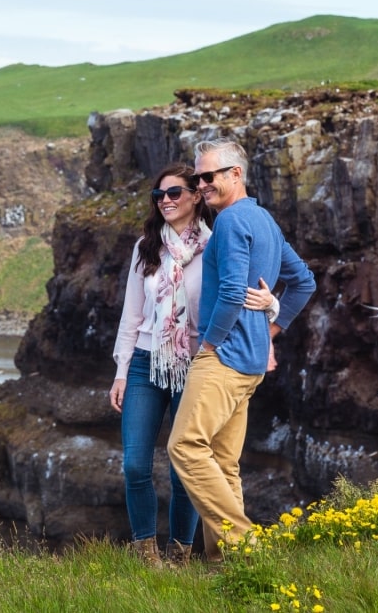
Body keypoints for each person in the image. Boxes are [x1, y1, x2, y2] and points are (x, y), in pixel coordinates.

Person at [109, 163, 278, 567]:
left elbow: (246, 294)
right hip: (145, 364)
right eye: (158, 195)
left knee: (186, 463)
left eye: (174, 193)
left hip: (197, 361)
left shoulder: (217, 244)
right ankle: (146, 554)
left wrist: (272, 307)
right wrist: (120, 370)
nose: (165, 200)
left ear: (196, 196)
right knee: (135, 464)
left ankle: (180, 555)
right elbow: (131, 316)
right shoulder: (145, 247)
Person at [167, 138, 315, 563]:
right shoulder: (264, 220)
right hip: (250, 363)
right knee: (223, 463)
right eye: (197, 178)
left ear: (236, 174)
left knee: (186, 446)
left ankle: (246, 545)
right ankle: (226, 566)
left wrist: (210, 341)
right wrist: (273, 327)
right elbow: (304, 282)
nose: (201, 185)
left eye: (209, 176)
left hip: (224, 359)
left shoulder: (231, 222)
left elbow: (232, 290)